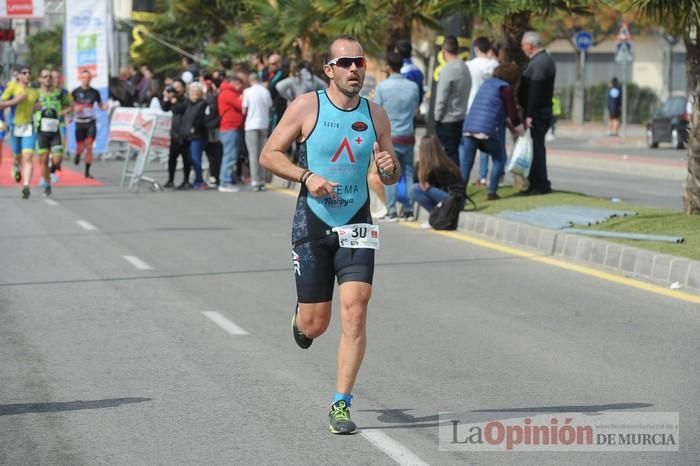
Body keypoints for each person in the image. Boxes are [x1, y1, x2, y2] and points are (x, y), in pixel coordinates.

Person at [259, 35, 399, 435]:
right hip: (313, 222)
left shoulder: (376, 115)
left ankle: (341, 402)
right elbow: (269, 155)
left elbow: (391, 172)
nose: (355, 69)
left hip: (357, 221)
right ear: (329, 69)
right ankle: (301, 321)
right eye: (346, 62)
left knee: (356, 307)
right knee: (316, 325)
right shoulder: (307, 107)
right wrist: (307, 176)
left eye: (360, 62)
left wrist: (389, 168)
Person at [461, 63, 525, 200]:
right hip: (486, 129)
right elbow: (512, 115)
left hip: (469, 127)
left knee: (467, 162)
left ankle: (459, 193)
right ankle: (492, 192)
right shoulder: (505, 88)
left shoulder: (487, 84)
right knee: (499, 159)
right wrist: (521, 130)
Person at [374, 50, 420, 220]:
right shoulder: (413, 86)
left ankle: (392, 210)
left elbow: (377, 112)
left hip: (390, 137)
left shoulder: (383, 87)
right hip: (408, 135)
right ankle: (408, 209)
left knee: (389, 174)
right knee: (408, 173)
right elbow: (415, 109)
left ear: (387, 66)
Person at [518, 31, 556, 195]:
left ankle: (541, 185)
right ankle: (534, 183)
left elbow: (536, 91)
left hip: (538, 113)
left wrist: (530, 114)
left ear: (530, 46)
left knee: (537, 149)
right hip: (540, 111)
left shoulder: (540, 63)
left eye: (523, 45)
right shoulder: (543, 59)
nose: (522, 48)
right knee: (535, 149)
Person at [0, 65, 39, 198]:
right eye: (24, 72)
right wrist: (16, 100)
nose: (27, 75)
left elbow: (36, 106)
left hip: (29, 127)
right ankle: (16, 167)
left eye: (29, 72)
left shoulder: (34, 91)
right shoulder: (12, 87)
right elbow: (1, 103)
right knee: (17, 157)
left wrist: (38, 107)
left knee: (28, 157)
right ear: (19, 76)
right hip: (15, 127)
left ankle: (26, 186)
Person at [465, 37, 498, 187]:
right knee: (486, 144)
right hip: (491, 110)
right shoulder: (495, 66)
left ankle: (463, 178)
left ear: (476, 49)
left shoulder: (469, 65)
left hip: (472, 108)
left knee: (468, 147)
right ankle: (484, 177)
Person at [35, 68, 73, 196]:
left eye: (49, 76)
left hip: (55, 130)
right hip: (41, 131)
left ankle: (50, 173)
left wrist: (63, 112)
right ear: (40, 79)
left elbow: (70, 106)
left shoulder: (60, 93)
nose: (48, 79)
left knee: (57, 160)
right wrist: (34, 108)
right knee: (44, 158)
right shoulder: (35, 94)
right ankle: (47, 184)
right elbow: (27, 107)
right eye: (44, 76)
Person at [433, 35, 470, 166]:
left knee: (448, 154)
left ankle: (452, 183)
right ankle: (455, 183)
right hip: (460, 117)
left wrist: (436, 118)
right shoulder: (465, 67)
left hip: (446, 119)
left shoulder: (448, 70)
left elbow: (441, 98)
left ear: (443, 51)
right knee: (454, 152)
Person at [409, 135, 463, 214]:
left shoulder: (441, 166)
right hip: (449, 199)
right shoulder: (425, 164)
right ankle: (436, 216)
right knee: (416, 188)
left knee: (414, 190)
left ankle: (434, 215)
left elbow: (444, 186)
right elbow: (416, 181)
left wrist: (429, 186)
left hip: (453, 200)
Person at [72, 69, 108, 179]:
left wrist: (104, 107)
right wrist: (75, 108)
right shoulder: (75, 92)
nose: (86, 80)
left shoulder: (94, 92)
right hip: (79, 122)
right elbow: (69, 106)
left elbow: (101, 105)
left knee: (89, 146)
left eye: (88, 78)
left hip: (90, 122)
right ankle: (78, 154)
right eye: (84, 78)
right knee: (80, 145)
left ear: (90, 79)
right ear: (81, 79)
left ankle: (87, 172)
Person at [242, 73, 273, 191]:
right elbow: (270, 107)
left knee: (253, 154)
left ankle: (255, 180)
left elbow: (244, 110)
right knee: (262, 154)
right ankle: (263, 180)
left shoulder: (247, 92)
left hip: (251, 125)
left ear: (250, 80)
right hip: (263, 124)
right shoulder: (265, 91)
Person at [217, 74, 245, 192]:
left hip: (232, 127)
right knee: (230, 156)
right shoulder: (228, 93)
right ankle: (225, 182)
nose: (241, 87)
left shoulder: (228, 92)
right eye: (239, 84)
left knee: (230, 155)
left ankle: (227, 179)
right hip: (230, 128)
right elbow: (241, 105)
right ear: (233, 82)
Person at [162, 79, 191, 189]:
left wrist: (174, 99)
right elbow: (165, 108)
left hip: (184, 131)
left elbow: (181, 109)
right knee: (172, 158)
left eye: (178, 87)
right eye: (174, 87)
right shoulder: (173, 98)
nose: (175, 89)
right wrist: (166, 98)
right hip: (174, 132)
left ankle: (186, 180)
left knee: (186, 158)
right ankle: (170, 179)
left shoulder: (186, 99)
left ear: (183, 88)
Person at [181, 82, 210, 190]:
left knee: (196, 159)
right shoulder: (189, 104)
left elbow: (201, 120)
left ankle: (200, 181)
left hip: (198, 135)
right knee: (191, 159)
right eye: (192, 93)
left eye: (197, 93)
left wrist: (194, 129)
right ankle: (196, 180)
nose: (194, 95)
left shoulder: (203, 104)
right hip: (188, 135)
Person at [394, 39, 424, 104]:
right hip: (414, 110)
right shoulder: (418, 71)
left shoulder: (400, 71)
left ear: (397, 52)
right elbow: (421, 95)